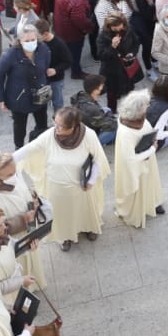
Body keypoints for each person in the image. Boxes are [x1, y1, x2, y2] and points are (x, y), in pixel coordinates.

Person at [13, 104, 111, 251]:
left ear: (72, 127)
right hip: (57, 188)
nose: (55, 128)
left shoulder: (88, 135)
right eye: (55, 123)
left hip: (81, 187)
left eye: (60, 126)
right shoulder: (50, 135)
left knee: (83, 210)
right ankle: (65, 236)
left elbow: (97, 158)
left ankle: (88, 227)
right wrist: (8, 160)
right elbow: (30, 148)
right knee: (62, 215)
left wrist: (91, 181)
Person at [0, 152, 48, 287]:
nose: (14, 176)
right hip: (13, 241)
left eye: (14, 172)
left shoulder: (11, 175)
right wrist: (23, 220)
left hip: (27, 231)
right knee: (20, 269)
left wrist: (33, 198)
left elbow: (24, 190)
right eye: (9, 175)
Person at [0, 23, 52, 147]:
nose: (31, 42)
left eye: (33, 39)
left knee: (42, 123)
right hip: (19, 97)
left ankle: (41, 146)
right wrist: (0, 98)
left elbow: (45, 66)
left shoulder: (44, 49)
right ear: (20, 41)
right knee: (20, 126)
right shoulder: (10, 55)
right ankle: (19, 148)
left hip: (41, 93)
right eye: (27, 40)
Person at [112, 89, 165, 227]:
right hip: (135, 166)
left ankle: (152, 203)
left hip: (147, 157)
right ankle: (136, 213)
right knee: (138, 189)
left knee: (150, 181)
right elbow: (131, 159)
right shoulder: (125, 132)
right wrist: (152, 149)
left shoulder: (139, 118)